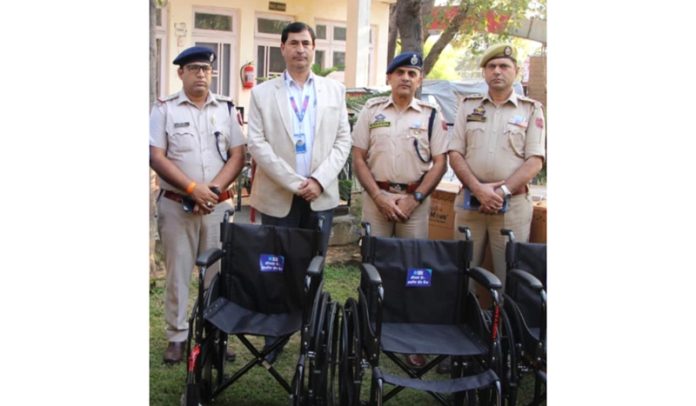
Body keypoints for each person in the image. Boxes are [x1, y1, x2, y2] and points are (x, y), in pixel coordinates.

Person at [246, 21, 351, 363]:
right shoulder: (262, 94)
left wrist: (318, 180)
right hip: (278, 198)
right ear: (283, 48)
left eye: (306, 43)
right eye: (294, 43)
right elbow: (258, 145)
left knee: (314, 268)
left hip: (320, 196)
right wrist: (295, 182)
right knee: (276, 267)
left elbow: (342, 141)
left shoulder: (334, 91)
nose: (301, 49)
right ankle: (274, 339)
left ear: (314, 48)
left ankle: (313, 336)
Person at [351, 51, 449, 368]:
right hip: (376, 199)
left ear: (419, 80)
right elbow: (358, 157)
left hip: (414, 204)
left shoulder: (432, 114)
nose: (406, 78)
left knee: (413, 273)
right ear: (388, 78)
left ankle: (411, 341)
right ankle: (367, 337)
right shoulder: (371, 109)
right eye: (400, 72)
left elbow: (439, 163)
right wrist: (379, 196)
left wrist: (414, 198)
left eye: (412, 73)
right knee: (373, 267)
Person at [150, 46, 246, 364]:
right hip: (177, 205)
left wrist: (213, 190)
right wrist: (192, 188)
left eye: (205, 69)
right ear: (181, 73)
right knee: (178, 272)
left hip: (216, 206)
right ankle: (177, 337)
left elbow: (237, 154)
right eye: (193, 68)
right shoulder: (165, 109)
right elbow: (155, 156)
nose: (201, 74)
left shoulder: (226, 109)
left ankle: (214, 335)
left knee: (217, 273)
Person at [448, 43, 546, 291]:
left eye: (504, 66)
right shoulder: (468, 106)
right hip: (470, 202)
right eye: (491, 66)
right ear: (484, 73)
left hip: (512, 208)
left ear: (516, 72)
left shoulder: (531, 109)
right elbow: (455, 152)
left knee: (509, 277)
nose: (497, 71)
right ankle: (462, 326)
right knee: (462, 273)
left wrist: (500, 193)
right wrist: (478, 189)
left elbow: (535, 160)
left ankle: (501, 329)